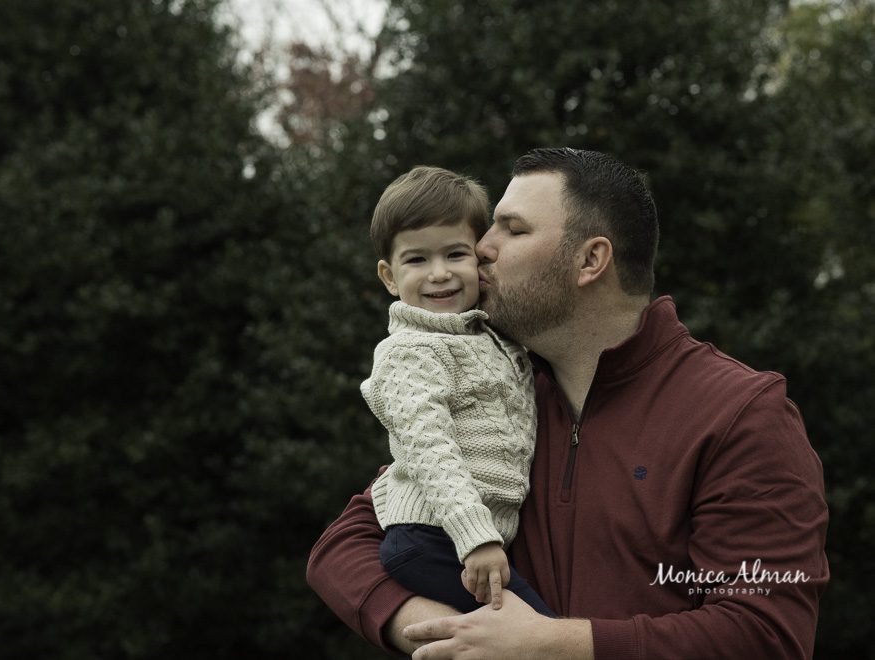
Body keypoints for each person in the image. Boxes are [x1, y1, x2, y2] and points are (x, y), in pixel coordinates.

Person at [307, 148, 829, 660]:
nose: (480, 247)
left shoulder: (739, 413)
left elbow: (765, 635)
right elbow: (342, 547)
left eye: (512, 229)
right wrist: (460, 640)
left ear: (590, 260)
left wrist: (550, 646)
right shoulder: (501, 393)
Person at [361, 165, 554, 617]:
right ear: (389, 276)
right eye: (417, 260)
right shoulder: (408, 352)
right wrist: (476, 537)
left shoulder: (490, 337)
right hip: (438, 538)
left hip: (470, 536)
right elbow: (430, 448)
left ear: (480, 258)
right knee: (537, 632)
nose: (439, 274)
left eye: (455, 254)